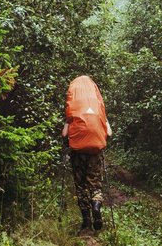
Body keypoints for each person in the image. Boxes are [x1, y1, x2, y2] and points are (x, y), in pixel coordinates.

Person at [61, 75, 112, 232]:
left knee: (81, 185)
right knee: (94, 183)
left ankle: (86, 220)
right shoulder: (99, 113)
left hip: (78, 153)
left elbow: (64, 135)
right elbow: (109, 133)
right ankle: (96, 206)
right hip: (95, 152)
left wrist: (68, 125)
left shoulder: (73, 112)